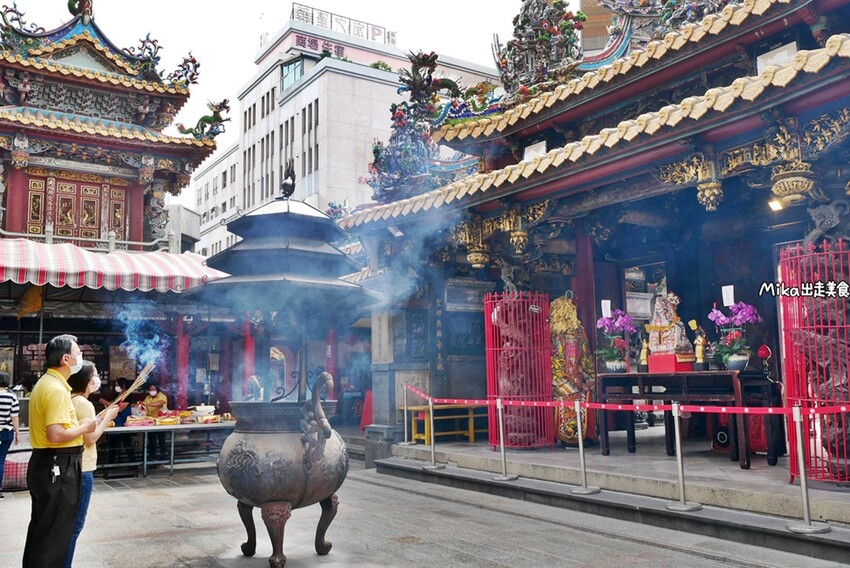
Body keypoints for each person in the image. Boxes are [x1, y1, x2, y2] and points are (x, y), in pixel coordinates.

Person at [23, 334, 98, 568]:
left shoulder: (48, 383)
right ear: (66, 359)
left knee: (44, 531)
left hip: (47, 463)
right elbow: (55, 434)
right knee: (55, 534)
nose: (81, 357)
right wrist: (85, 427)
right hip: (57, 465)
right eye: (78, 353)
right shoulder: (55, 389)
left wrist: (79, 426)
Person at [64, 362, 119, 568]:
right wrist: (108, 418)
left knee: (69, 524)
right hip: (84, 467)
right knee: (75, 525)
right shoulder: (84, 403)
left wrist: (101, 416)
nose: (97, 379)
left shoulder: (72, 399)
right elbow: (91, 438)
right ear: (86, 380)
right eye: (94, 375)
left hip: (74, 465)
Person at [100, 377, 137, 465]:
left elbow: (119, 409)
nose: (116, 387)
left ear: (123, 386)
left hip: (123, 423)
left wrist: (104, 402)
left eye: (117, 385)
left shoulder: (127, 396)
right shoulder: (116, 396)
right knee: (112, 444)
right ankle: (111, 464)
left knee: (127, 443)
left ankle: (133, 464)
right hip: (115, 422)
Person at [0, 371, 21, 499]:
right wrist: (17, 433)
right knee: (1, 459)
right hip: (5, 432)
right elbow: (15, 417)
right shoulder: (11, 397)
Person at [142, 383, 167, 461]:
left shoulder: (162, 396)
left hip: (160, 422)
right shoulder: (147, 397)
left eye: (153, 389)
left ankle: (163, 456)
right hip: (150, 422)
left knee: (161, 439)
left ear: (157, 389)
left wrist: (149, 404)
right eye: (150, 390)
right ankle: (152, 457)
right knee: (151, 440)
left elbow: (160, 403)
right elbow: (144, 405)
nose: (151, 391)